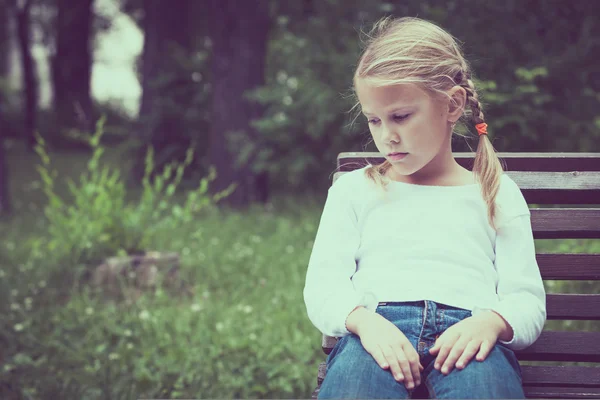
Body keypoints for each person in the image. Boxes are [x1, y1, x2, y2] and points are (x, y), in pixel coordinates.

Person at [303, 16, 546, 399]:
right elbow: (324, 286)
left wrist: (494, 323)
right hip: (376, 335)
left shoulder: (495, 193)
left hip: (469, 338)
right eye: (374, 120)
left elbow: (527, 299)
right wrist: (364, 323)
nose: (387, 136)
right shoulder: (355, 191)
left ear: (453, 105)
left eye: (401, 116)